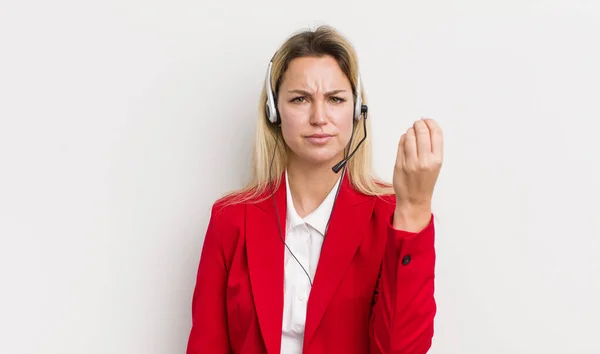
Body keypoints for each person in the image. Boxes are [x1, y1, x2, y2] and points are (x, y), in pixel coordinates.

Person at [186, 25, 443, 354]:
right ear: (274, 112)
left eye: (335, 99)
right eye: (300, 99)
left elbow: (401, 349)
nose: (319, 117)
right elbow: (206, 346)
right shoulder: (230, 219)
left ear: (356, 111)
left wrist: (414, 208)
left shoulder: (393, 217)